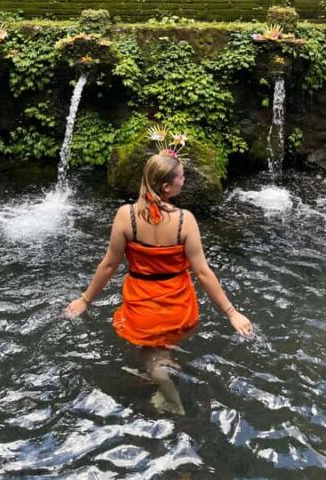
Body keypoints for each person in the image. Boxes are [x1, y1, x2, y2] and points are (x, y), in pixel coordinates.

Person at [65, 153, 253, 414]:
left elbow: (109, 265)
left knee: (150, 350)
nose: (184, 180)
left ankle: (158, 379)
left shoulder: (125, 216)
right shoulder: (184, 220)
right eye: (181, 177)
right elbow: (203, 272)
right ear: (166, 187)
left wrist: (85, 300)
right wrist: (231, 313)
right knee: (162, 350)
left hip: (142, 307)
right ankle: (164, 383)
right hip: (178, 307)